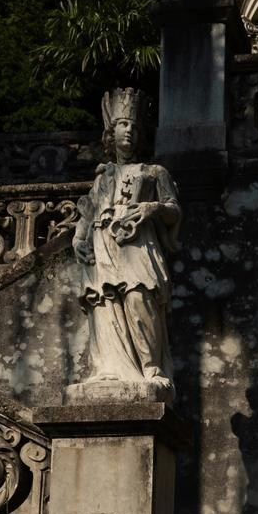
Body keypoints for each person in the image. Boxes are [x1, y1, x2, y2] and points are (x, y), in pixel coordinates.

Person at [72, 87, 182, 399]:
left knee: (140, 297)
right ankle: (110, 368)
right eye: (123, 125)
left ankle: (150, 367)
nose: (129, 131)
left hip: (138, 244)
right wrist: (79, 239)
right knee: (104, 302)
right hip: (103, 243)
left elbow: (174, 211)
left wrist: (153, 208)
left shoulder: (154, 172)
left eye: (134, 126)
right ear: (111, 132)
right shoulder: (102, 177)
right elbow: (88, 214)